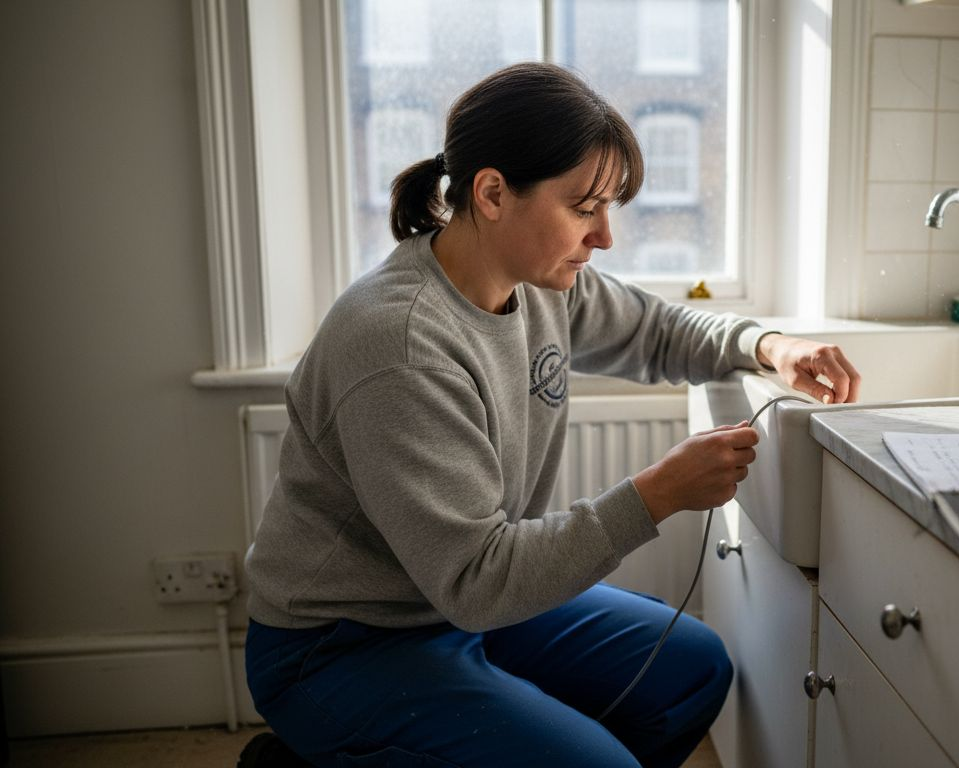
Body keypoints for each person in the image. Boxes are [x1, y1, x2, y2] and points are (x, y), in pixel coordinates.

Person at [240, 62, 860, 768]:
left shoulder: (538, 284)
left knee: (691, 671)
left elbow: (656, 332)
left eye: (609, 208)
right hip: (340, 642)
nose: (605, 237)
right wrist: (658, 494)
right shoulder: (400, 344)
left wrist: (767, 344)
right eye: (584, 207)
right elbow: (478, 580)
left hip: (456, 607)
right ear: (493, 192)